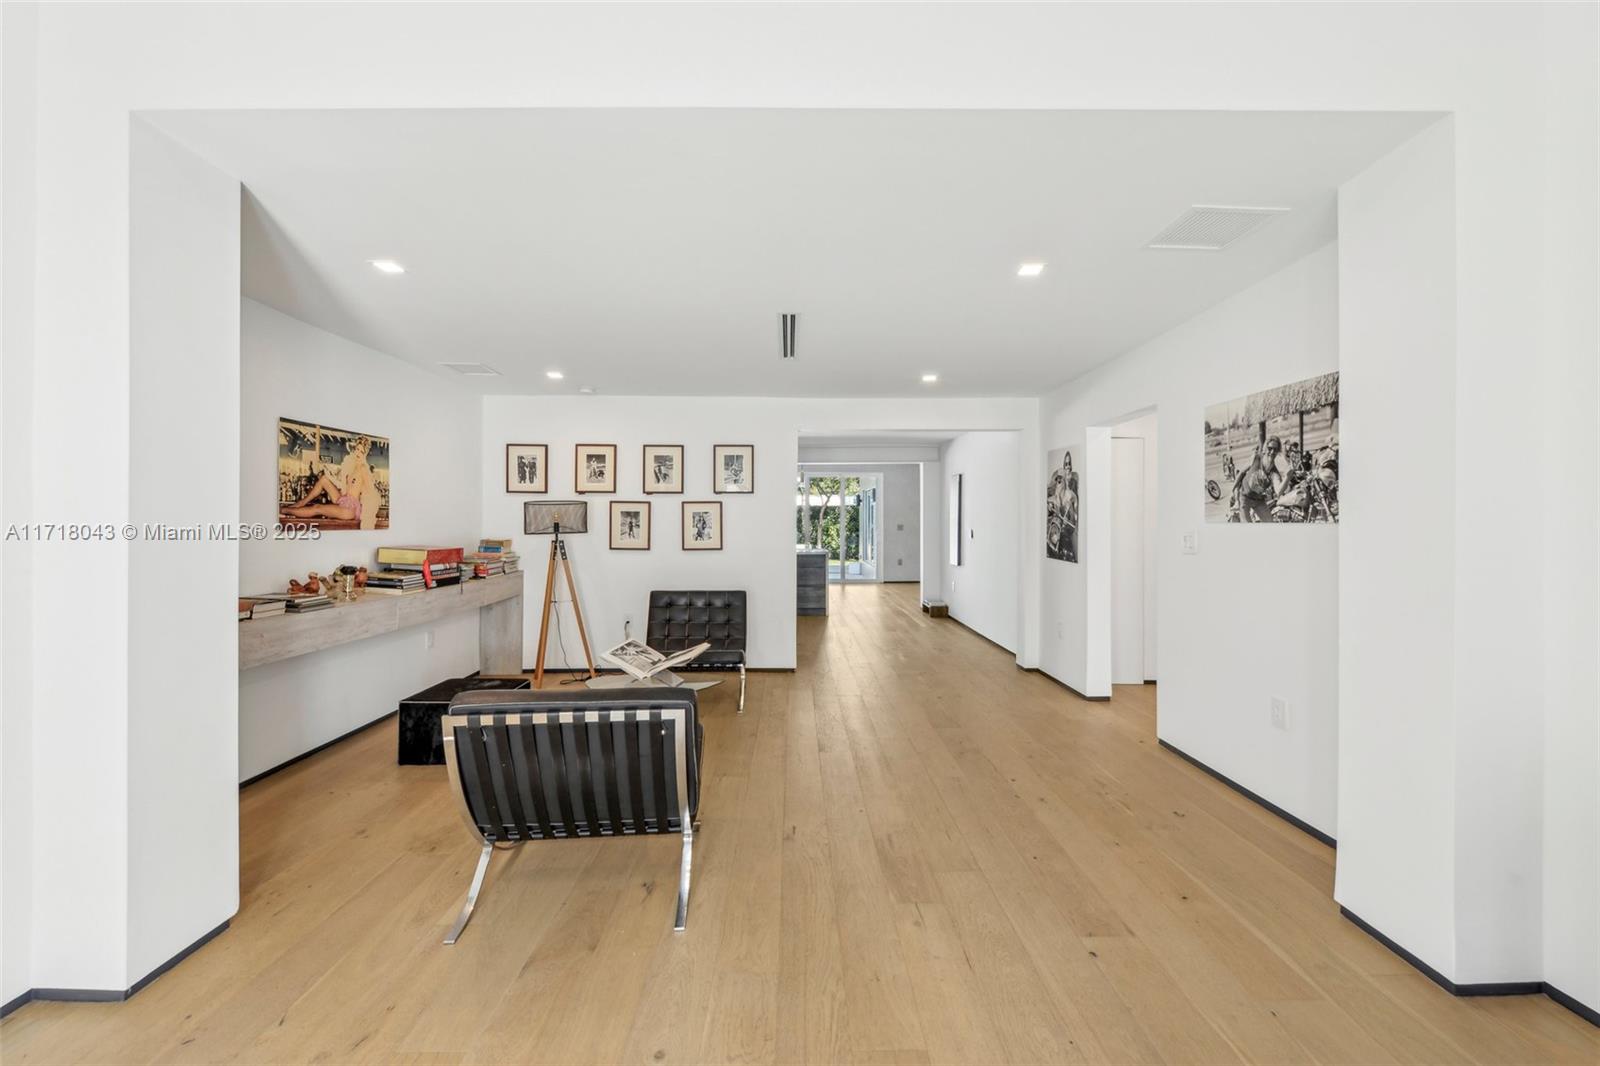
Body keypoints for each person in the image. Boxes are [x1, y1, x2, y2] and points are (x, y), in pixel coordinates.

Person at [282, 435, 376, 525]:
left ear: (365, 454)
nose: (358, 453)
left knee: (317, 508)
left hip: (350, 509)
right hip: (344, 499)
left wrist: (366, 514)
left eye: (361, 451)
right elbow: (343, 485)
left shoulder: (363, 468)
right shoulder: (353, 466)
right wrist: (330, 476)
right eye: (357, 449)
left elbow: (371, 493)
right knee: (324, 479)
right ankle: (301, 503)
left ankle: (283, 510)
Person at [1233, 437, 1282, 522]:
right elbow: (1241, 472)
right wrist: (1233, 489)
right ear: (1265, 448)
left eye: (1275, 449)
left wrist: (1288, 476)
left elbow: (1278, 490)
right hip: (1244, 497)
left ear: (1278, 451)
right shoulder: (1256, 458)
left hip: (1259, 501)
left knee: (1270, 523)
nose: (1272, 452)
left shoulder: (1274, 472)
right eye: (1270, 448)